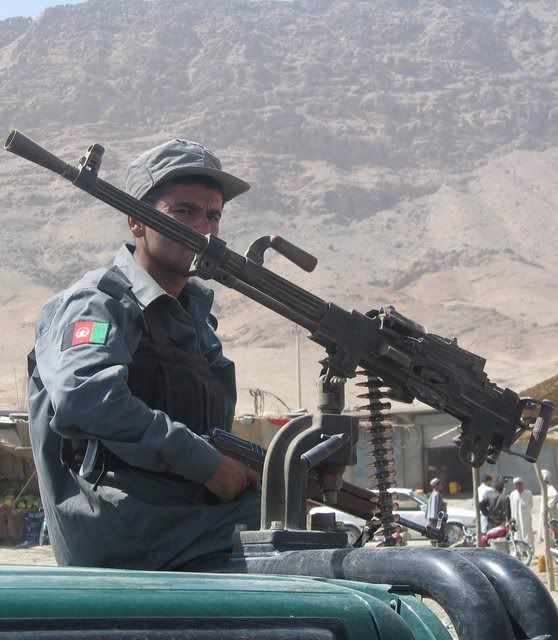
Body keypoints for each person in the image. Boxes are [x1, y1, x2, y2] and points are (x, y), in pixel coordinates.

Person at [28, 138, 262, 570]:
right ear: (136, 220)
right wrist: (208, 464)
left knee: (306, 521)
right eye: (184, 212)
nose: (204, 230)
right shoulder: (97, 303)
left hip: (181, 518)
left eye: (213, 216)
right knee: (297, 542)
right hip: (124, 530)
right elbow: (86, 396)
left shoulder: (192, 316)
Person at [509, 477, 534, 548]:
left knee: (526, 532)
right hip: (515, 517)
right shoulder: (513, 494)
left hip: (526, 517)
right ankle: (520, 549)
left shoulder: (528, 493)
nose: (516, 486)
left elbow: (531, 504)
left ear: (521, 484)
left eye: (517, 484)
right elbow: (511, 506)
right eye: (515, 485)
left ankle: (529, 548)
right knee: (517, 532)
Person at [538, 469, 558, 541]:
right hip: (544, 513)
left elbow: (555, 495)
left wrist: (549, 505)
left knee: (551, 530)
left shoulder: (550, 488)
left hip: (549, 513)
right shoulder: (544, 488)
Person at [426, 478, 447, 545]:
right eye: (440, 484)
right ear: (436, 486)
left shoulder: (432, 495)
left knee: (433, 540)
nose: (441, 486)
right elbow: (435, 510)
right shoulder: (437, 495)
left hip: (432, 521)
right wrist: (438, 521)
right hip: (436, 522)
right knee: (438, 541)